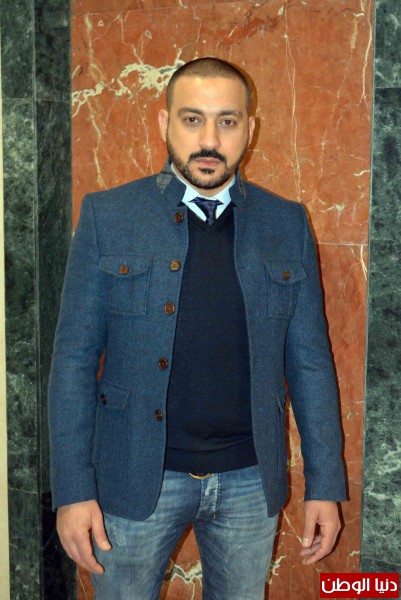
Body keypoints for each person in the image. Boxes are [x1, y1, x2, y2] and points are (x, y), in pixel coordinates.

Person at [49, 57, 347, 599]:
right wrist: (72, 489)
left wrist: (324, 484)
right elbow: (72, 360)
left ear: (249, 129)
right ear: (165, 123)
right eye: (192, 119)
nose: (210, 140)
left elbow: (310, 362)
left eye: (227, 121)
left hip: (249, 481)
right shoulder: (107, 216)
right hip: (131, 479)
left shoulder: (286, 223)